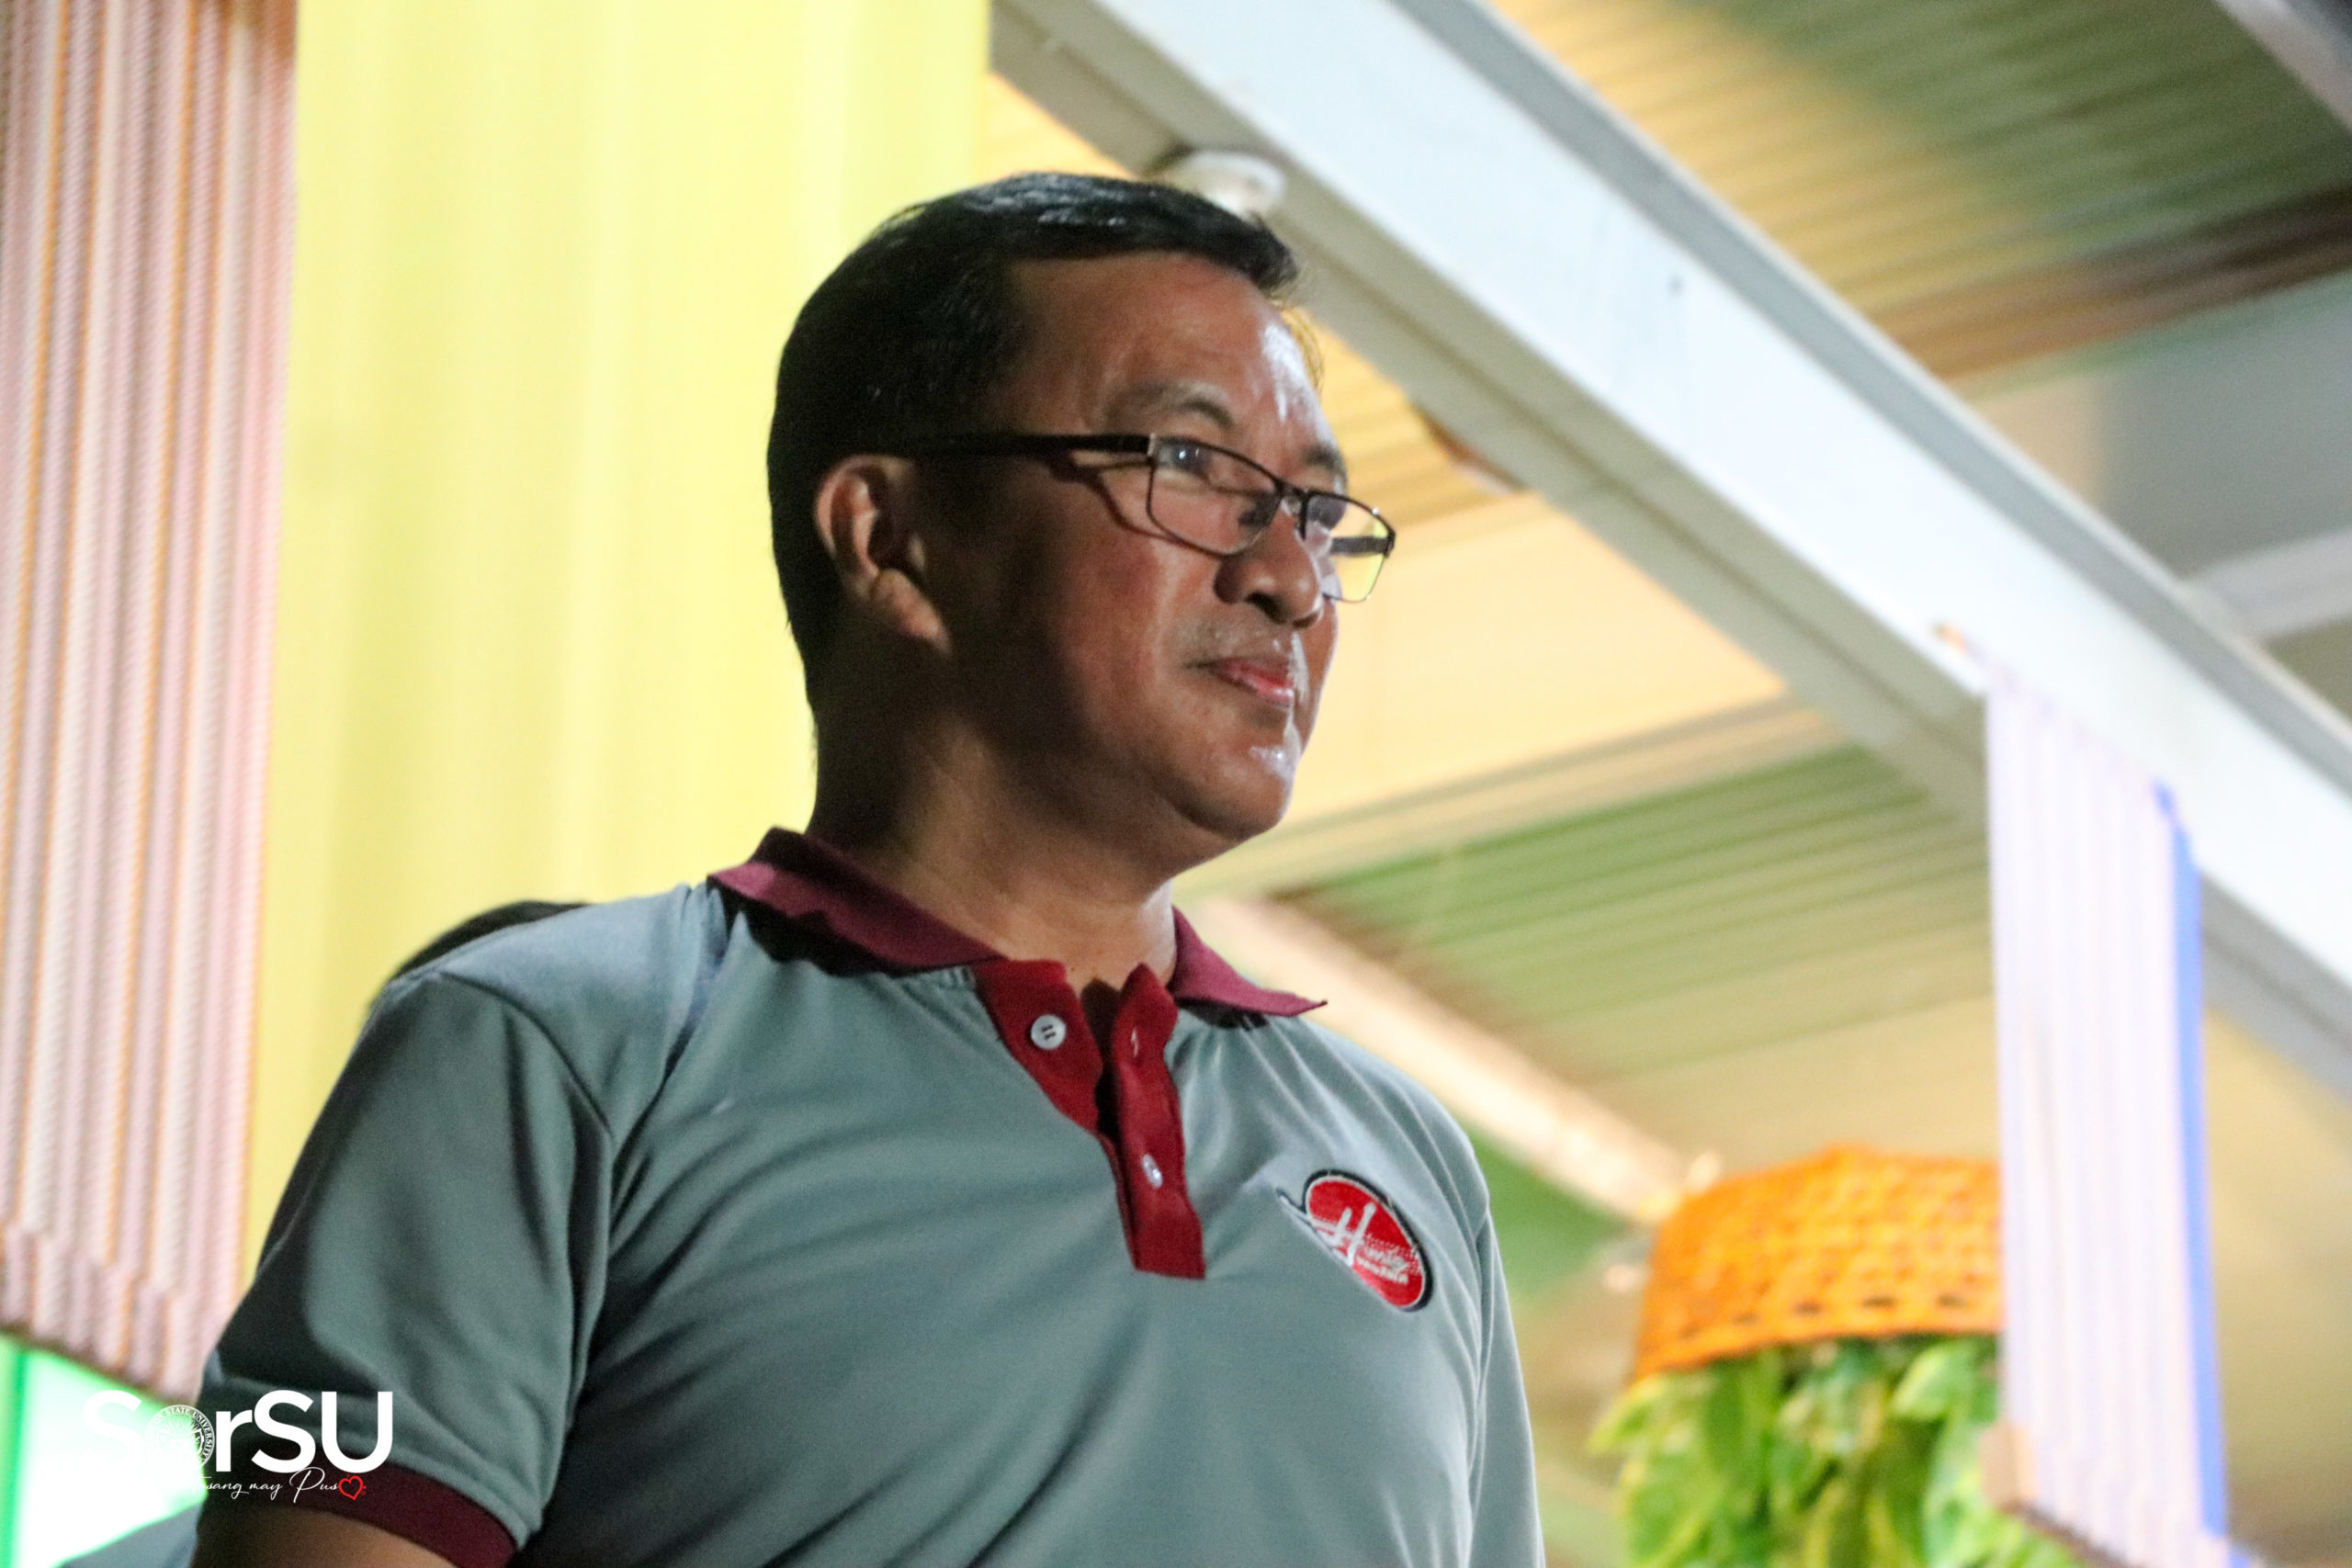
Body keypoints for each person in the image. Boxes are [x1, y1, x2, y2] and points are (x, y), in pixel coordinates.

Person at [193, 173, 1541, 1568]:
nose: (1290, 581)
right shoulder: (533, 1045)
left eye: (1313, 510)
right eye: (1191, 465)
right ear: (889, 538)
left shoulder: (1410, 1164)